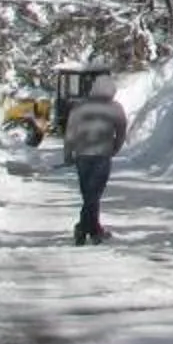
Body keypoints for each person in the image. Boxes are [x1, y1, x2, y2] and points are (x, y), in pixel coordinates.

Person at [63, 72, 128, 244]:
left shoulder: (79, 107)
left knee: (89, 195)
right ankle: (85, 228)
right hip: (102, 156)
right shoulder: (115, 108)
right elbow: (121, 132)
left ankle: (92, 229)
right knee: (94, 195)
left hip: (82, 155)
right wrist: (115, 148)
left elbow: (70, 132)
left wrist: (68, 154)